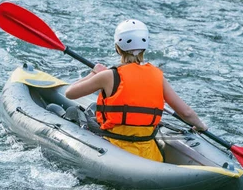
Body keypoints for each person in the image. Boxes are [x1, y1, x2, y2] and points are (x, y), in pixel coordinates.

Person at [65, 19, 207, 162]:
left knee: (72, 111)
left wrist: (94, 73)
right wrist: (201, 126)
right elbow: (186, 112)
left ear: (117, 48)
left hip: (116, 149)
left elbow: (70, 93)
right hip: (149, 154)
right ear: (144, 48)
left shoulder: (108, 76)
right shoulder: (158, 76)